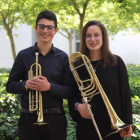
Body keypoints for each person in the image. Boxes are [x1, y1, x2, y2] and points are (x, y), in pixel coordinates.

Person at [6, 10, 73, 140]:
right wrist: (26, 84)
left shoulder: (63, 57)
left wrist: (49, 87)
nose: (45, 31)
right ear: (36, 28)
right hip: (28, 120)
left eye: (50, 27)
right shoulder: (23, 55)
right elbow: (10, 86)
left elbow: (70, 91)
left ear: (56, 30)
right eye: (41, 26)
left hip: (55, 121)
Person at [68, 20, 133, 140]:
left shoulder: (116, 62)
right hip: (87, 128)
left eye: (96, 35)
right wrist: (78, 106)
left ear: (103, 37)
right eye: (88, 36)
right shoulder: (77, 65)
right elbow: (71, 96)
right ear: (84, 39)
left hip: (114, 128)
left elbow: (125, 94)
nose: (92, 39)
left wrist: (128, 123)